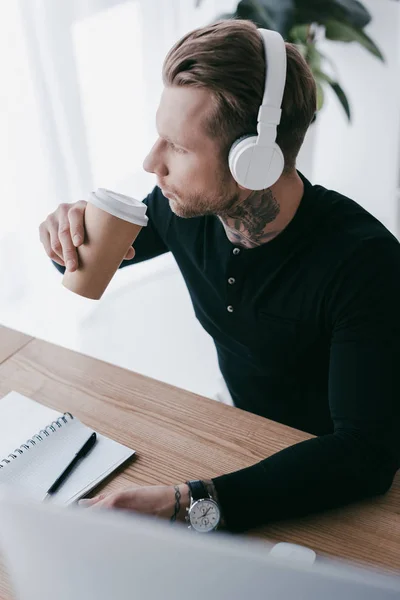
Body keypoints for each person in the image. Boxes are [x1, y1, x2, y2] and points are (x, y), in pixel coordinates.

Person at [39, 19, 400, 533]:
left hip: (340, 490)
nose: (150, 162)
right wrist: (63, 236)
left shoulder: (365, 265)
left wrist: (187, 501)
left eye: (178, 148)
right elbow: (86, 257)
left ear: (254, 161)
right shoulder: (181, 211)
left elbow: (365, 457)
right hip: (242, 438)